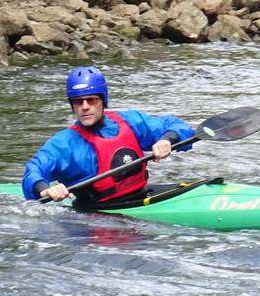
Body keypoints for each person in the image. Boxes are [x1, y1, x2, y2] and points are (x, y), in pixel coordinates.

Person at [22, 66, 195, 205]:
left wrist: (167, 139)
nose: (84, 106)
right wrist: (44, 190)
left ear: (103, 101)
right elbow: (34, 169)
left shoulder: (130, 121)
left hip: (140, 194)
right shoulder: (64, 144)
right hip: (97, 215)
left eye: (91, 100)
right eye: (77, 101)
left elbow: (177, 126)